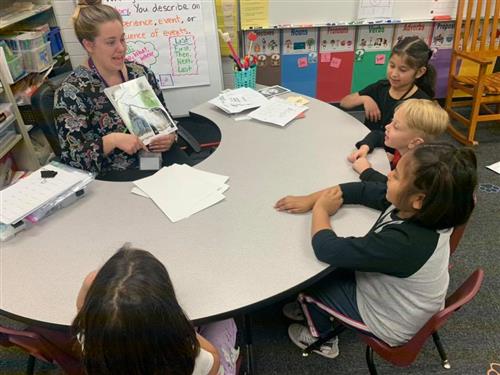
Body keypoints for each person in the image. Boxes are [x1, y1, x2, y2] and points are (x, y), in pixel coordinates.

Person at [275, 143, 477, 358]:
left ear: (419, 199)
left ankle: (322, 340)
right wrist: (310, 198)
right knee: (333, 268)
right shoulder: (425, 209)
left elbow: (327, 249)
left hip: (389, 322)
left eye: (397, 175)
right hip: (402, 301)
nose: (389, 174)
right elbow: (362, 190)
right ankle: (317, 310)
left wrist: (320, 209)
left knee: (311, 283)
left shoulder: (404, 243)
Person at [54, 0, 189, 176]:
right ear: (89, 45)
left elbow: (167, 118)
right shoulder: (72, 93)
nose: (121, 48)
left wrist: (171, 136)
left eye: (122, 39)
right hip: (116, 176)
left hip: (156, 162)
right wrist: (111, 141)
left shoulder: (140, 73)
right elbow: (73, 158)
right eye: (111, 42)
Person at [73, 245, 239, 375]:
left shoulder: (92, 342)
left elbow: (82, 309)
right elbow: (214, 360)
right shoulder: (190, 360)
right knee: (223, 321)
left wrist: (91, 283)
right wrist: (183, 328)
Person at [340, 36, 436, 132]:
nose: (394, 74)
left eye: (403, 70)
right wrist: (365, 99)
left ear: (419, 72)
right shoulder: (381, 87)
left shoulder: (421, 103)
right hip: (368, 144)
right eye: (392, 66)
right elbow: (344, 103)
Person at [349, 98, 449, 183]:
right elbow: (377, 135)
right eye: (392, 121)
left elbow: (391, 189)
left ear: (414, 142)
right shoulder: (404, 146)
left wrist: (366, 171)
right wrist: (364, 147)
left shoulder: (415, 169)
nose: (387, 126)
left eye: (396, 126)